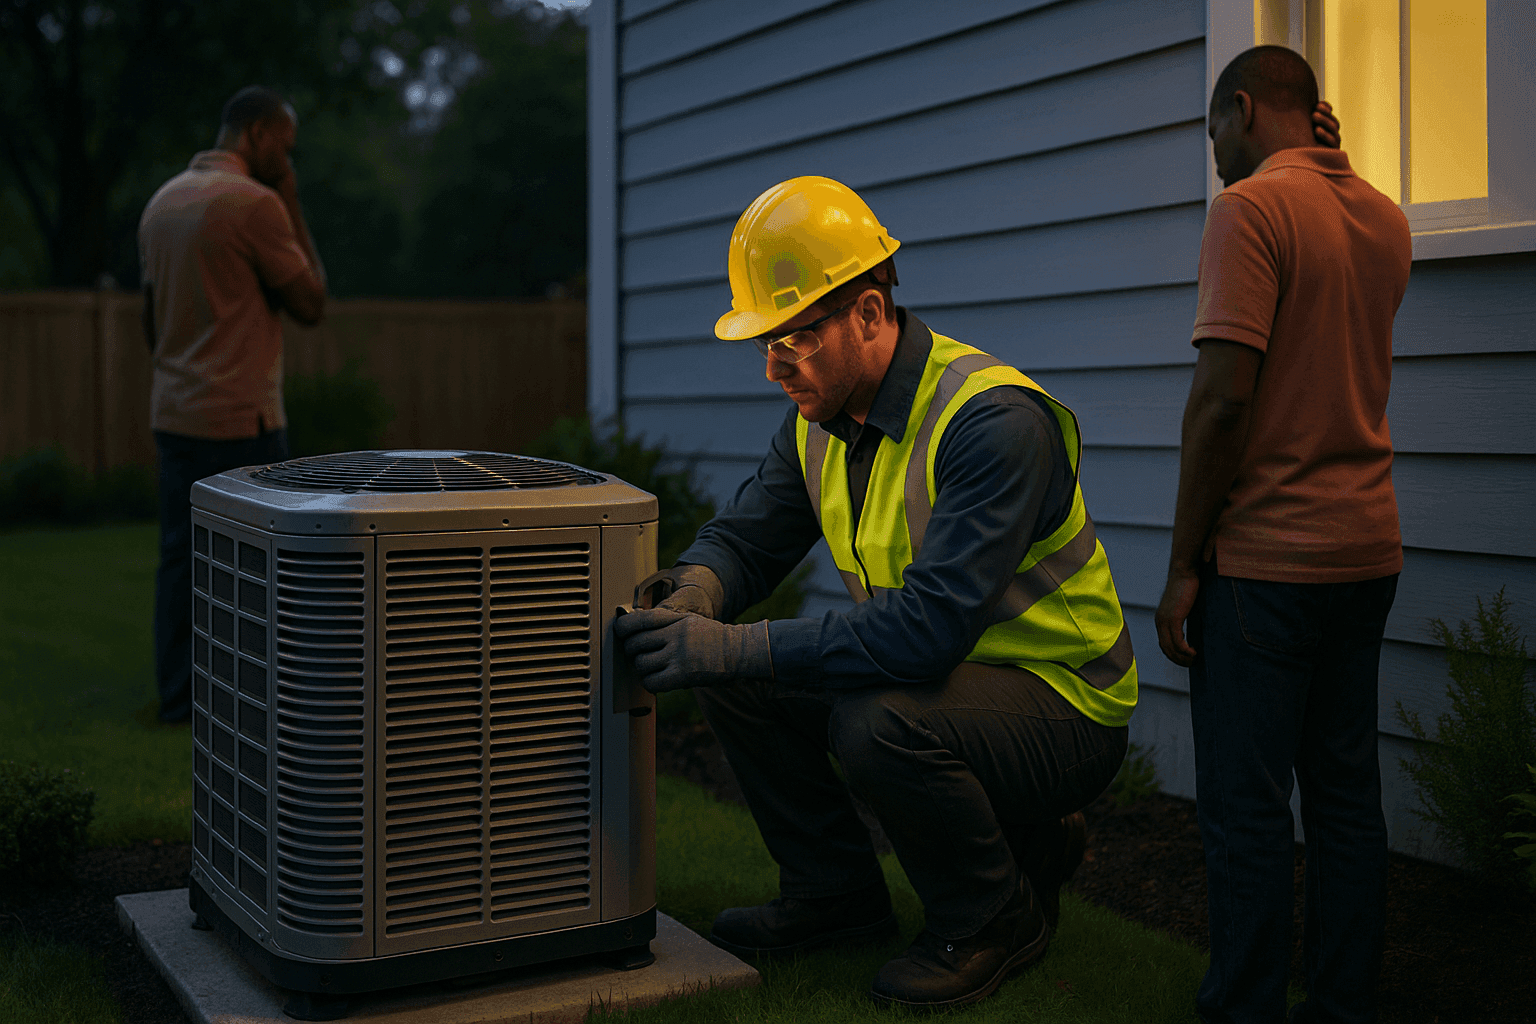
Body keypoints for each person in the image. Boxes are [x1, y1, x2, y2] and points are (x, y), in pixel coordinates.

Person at [614, 176, 1138, 1011]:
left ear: (868, 311)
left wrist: (738, 642)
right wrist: (697, 594)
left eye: (795, 338)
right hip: (949, 689)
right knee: (740, 679)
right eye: (764, 344)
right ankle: (835, 898)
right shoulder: (820, 417)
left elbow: (927, 631)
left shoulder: (992, 422)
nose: (775, 368)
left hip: (1065, 706)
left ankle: (994, 918)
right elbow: (748, 536)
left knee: (874, 720)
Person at [1154, 46, 1411, 1024]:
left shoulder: (1251, 211)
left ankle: (1245, 1006)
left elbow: (1223, 402)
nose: (1215, 155)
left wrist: (1184, 566)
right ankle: (1345, 1003)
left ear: (1246, 109)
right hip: (1366, 551)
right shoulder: (1385, 220)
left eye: (1216, 129)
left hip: (1265, 564)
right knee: (1346, 795)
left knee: (1247, 805)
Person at [139, 86, 327, 724]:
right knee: (259, 568)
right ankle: (252, 702)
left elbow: (149, 320)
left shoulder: (161, 204)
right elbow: (311, 303)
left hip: (175, 413)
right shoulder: (258, 205)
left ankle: (176, 700)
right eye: (286, 146)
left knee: (177, 557)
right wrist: (292, 198)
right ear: (260, 134)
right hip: (242, 418)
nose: (289, 158)